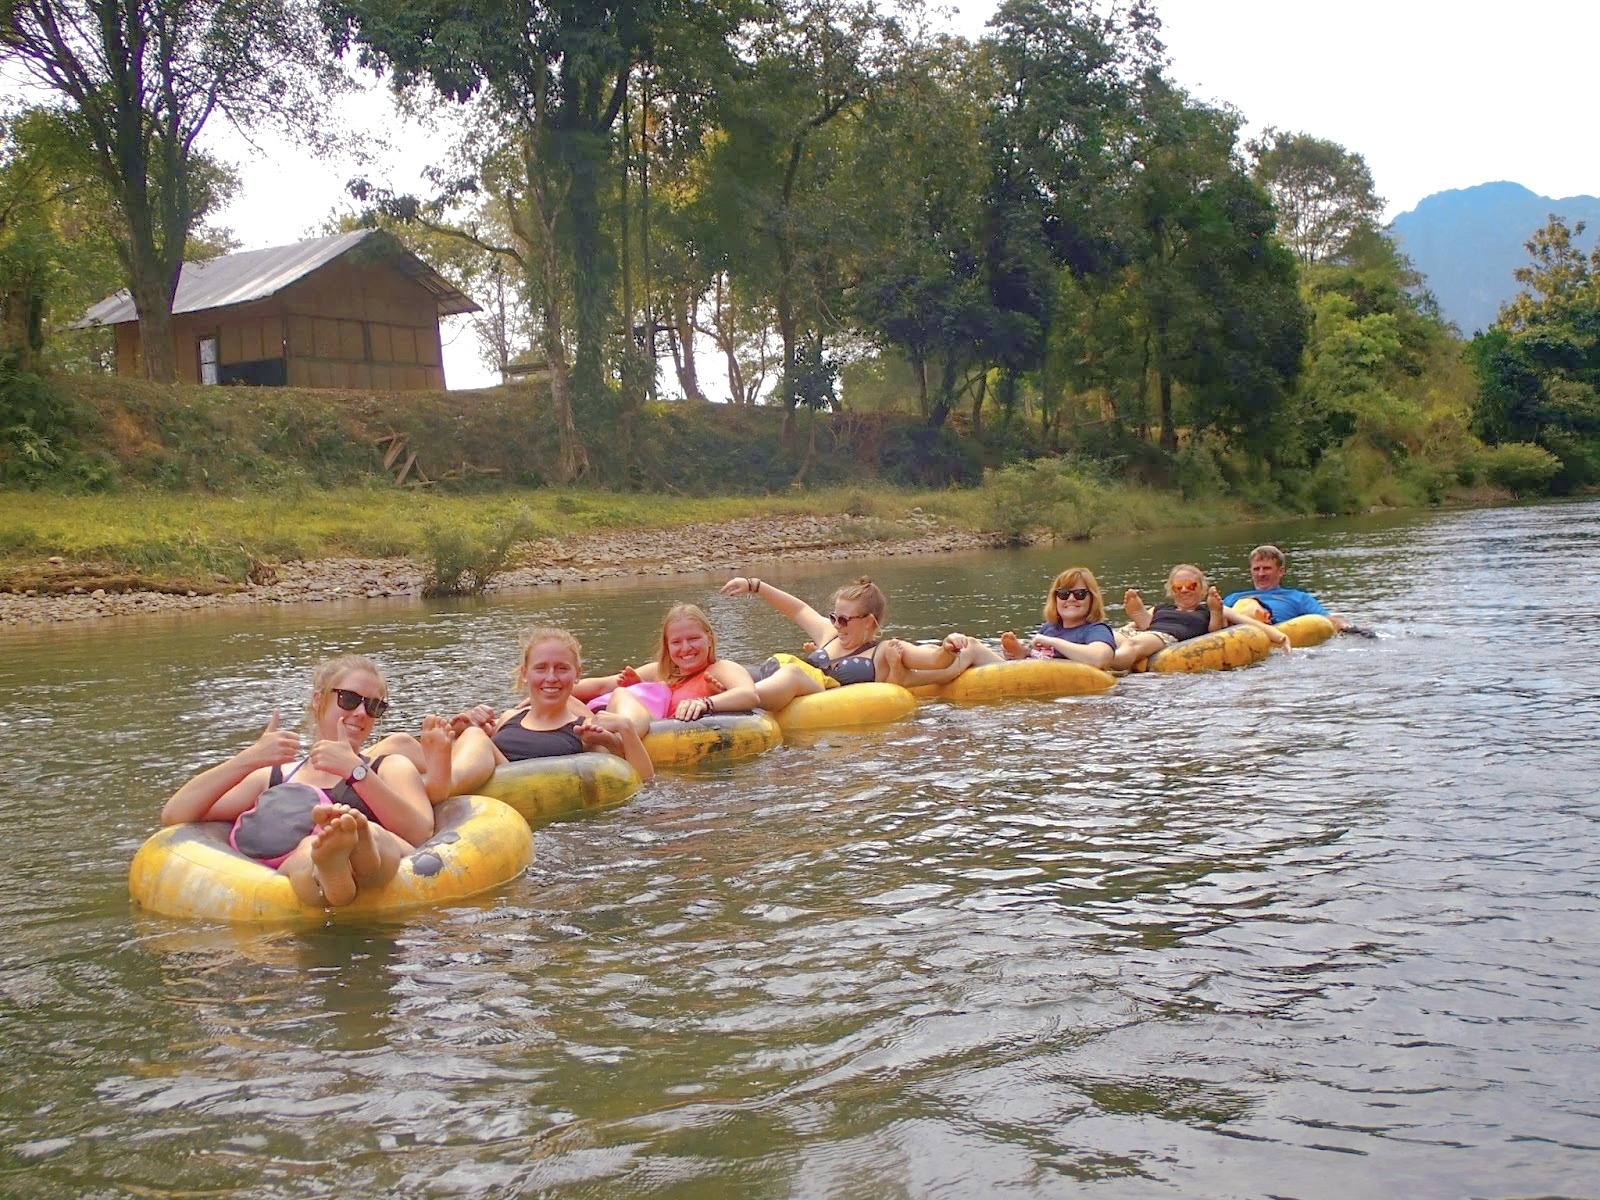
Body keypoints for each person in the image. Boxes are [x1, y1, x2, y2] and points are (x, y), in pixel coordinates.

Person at [160, 655, 435, 909]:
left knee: (365, 832)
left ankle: (353, 841)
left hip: (375, 857)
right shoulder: (275, 776)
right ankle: (329, 867)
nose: (362, 712)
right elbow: (176, 813)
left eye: (374, 706)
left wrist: (355, 771)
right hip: (303, 868)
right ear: (318, 700)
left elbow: (420, 834)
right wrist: (249, 758)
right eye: (349, 699)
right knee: (307, 852)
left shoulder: (388, 767)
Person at [439, 626, 655, 790]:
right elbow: (478, 747)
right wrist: (463, 728)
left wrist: (623, 731)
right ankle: (439, 782)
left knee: (476, 735)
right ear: (525, 674)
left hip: (530, 790)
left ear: (577, 674)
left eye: (562, 668)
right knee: (413, 742)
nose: (551, 678)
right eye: (541, 668)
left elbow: (645, 781)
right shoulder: (509, 716)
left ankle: (444, 785)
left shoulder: (586, 729)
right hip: (498, 780)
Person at [719, 574, 977, 706]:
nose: (837, 625)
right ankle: (712, 697)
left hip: (809, 693)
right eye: (834, 617)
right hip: (774, 681)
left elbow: (935, 660)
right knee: (727, 668)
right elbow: (797, 610)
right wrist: (755, 585)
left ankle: (736, 699)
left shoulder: (885, 651)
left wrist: (948, 646)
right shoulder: (829, 634)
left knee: (794, 673)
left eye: (845, 620)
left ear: (869, 621)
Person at [575, 603, 760, 736]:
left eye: (694, 638)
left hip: (653, 732)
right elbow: (600, 686)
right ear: (667, 646)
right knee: (575, 695)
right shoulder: (659, 672)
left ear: (709, 639)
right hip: (609, 719)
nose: (686, 648)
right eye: (676, 642)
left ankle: (615, 738)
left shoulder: (720, 668)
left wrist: (706, 703)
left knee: (621, 695)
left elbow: (748, 695)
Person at [1111, 564, 1290, 671]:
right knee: (1115, 636)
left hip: (1168, 636)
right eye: (1178, 587)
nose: (1184, 590)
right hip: (1150, 630)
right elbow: (1130, 627)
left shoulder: (1206, 608)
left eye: (1190, 585)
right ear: (1171, 590)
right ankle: (1098, 651)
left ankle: (1108, 661)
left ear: (1202, 588)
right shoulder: (1162, 607)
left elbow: (1250, 624)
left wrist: (1280, 637)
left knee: (1134, 643)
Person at [938, 567, 1117, 672]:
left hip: (1066, 680)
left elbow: (1099, 658)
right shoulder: (1049, 628)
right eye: (1063, 594)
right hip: (1031, 672)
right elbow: (1036, 658)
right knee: (970, 645)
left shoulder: (1096, 629)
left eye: (1079, 594)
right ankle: (926, 678)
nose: (1070, 599)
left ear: (1091, 599)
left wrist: (1051, 642)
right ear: (1055, 599)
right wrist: (1021, 653)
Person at [1222, 544, 1351, 631]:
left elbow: (1328, 621)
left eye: (1267, 568)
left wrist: (1351, 629)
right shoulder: (1232, 598)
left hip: (1277, 632)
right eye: (1256, 569)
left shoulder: (1298, 598)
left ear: (1281, 571)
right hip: (1238, 634)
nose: (1261, 574)